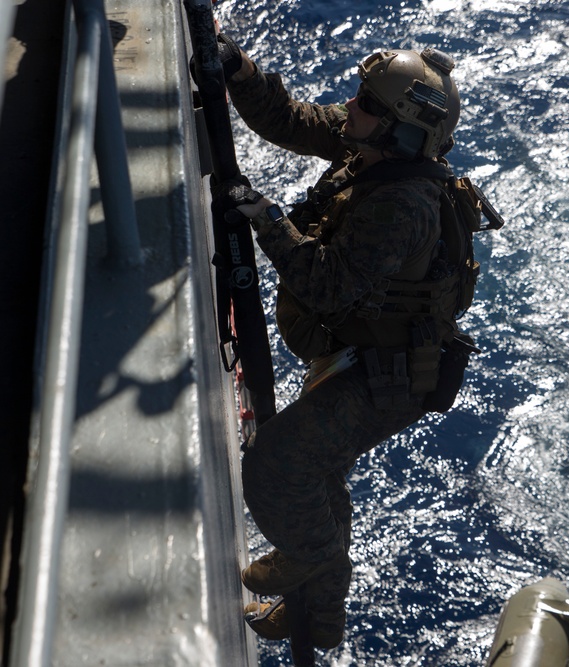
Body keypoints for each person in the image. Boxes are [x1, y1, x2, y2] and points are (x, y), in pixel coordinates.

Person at [205, 36, 472, 648]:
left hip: (391, 376)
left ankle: (314, 555)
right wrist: (240, 71)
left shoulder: (403, 204)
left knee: (278, 465)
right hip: (365, 355)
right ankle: (320, 620)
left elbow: (326, 286)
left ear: (401, 130)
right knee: (318, 475)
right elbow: (294, 120)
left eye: (366, 104)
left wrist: (266, 221)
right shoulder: (373, 150)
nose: (350, 107)